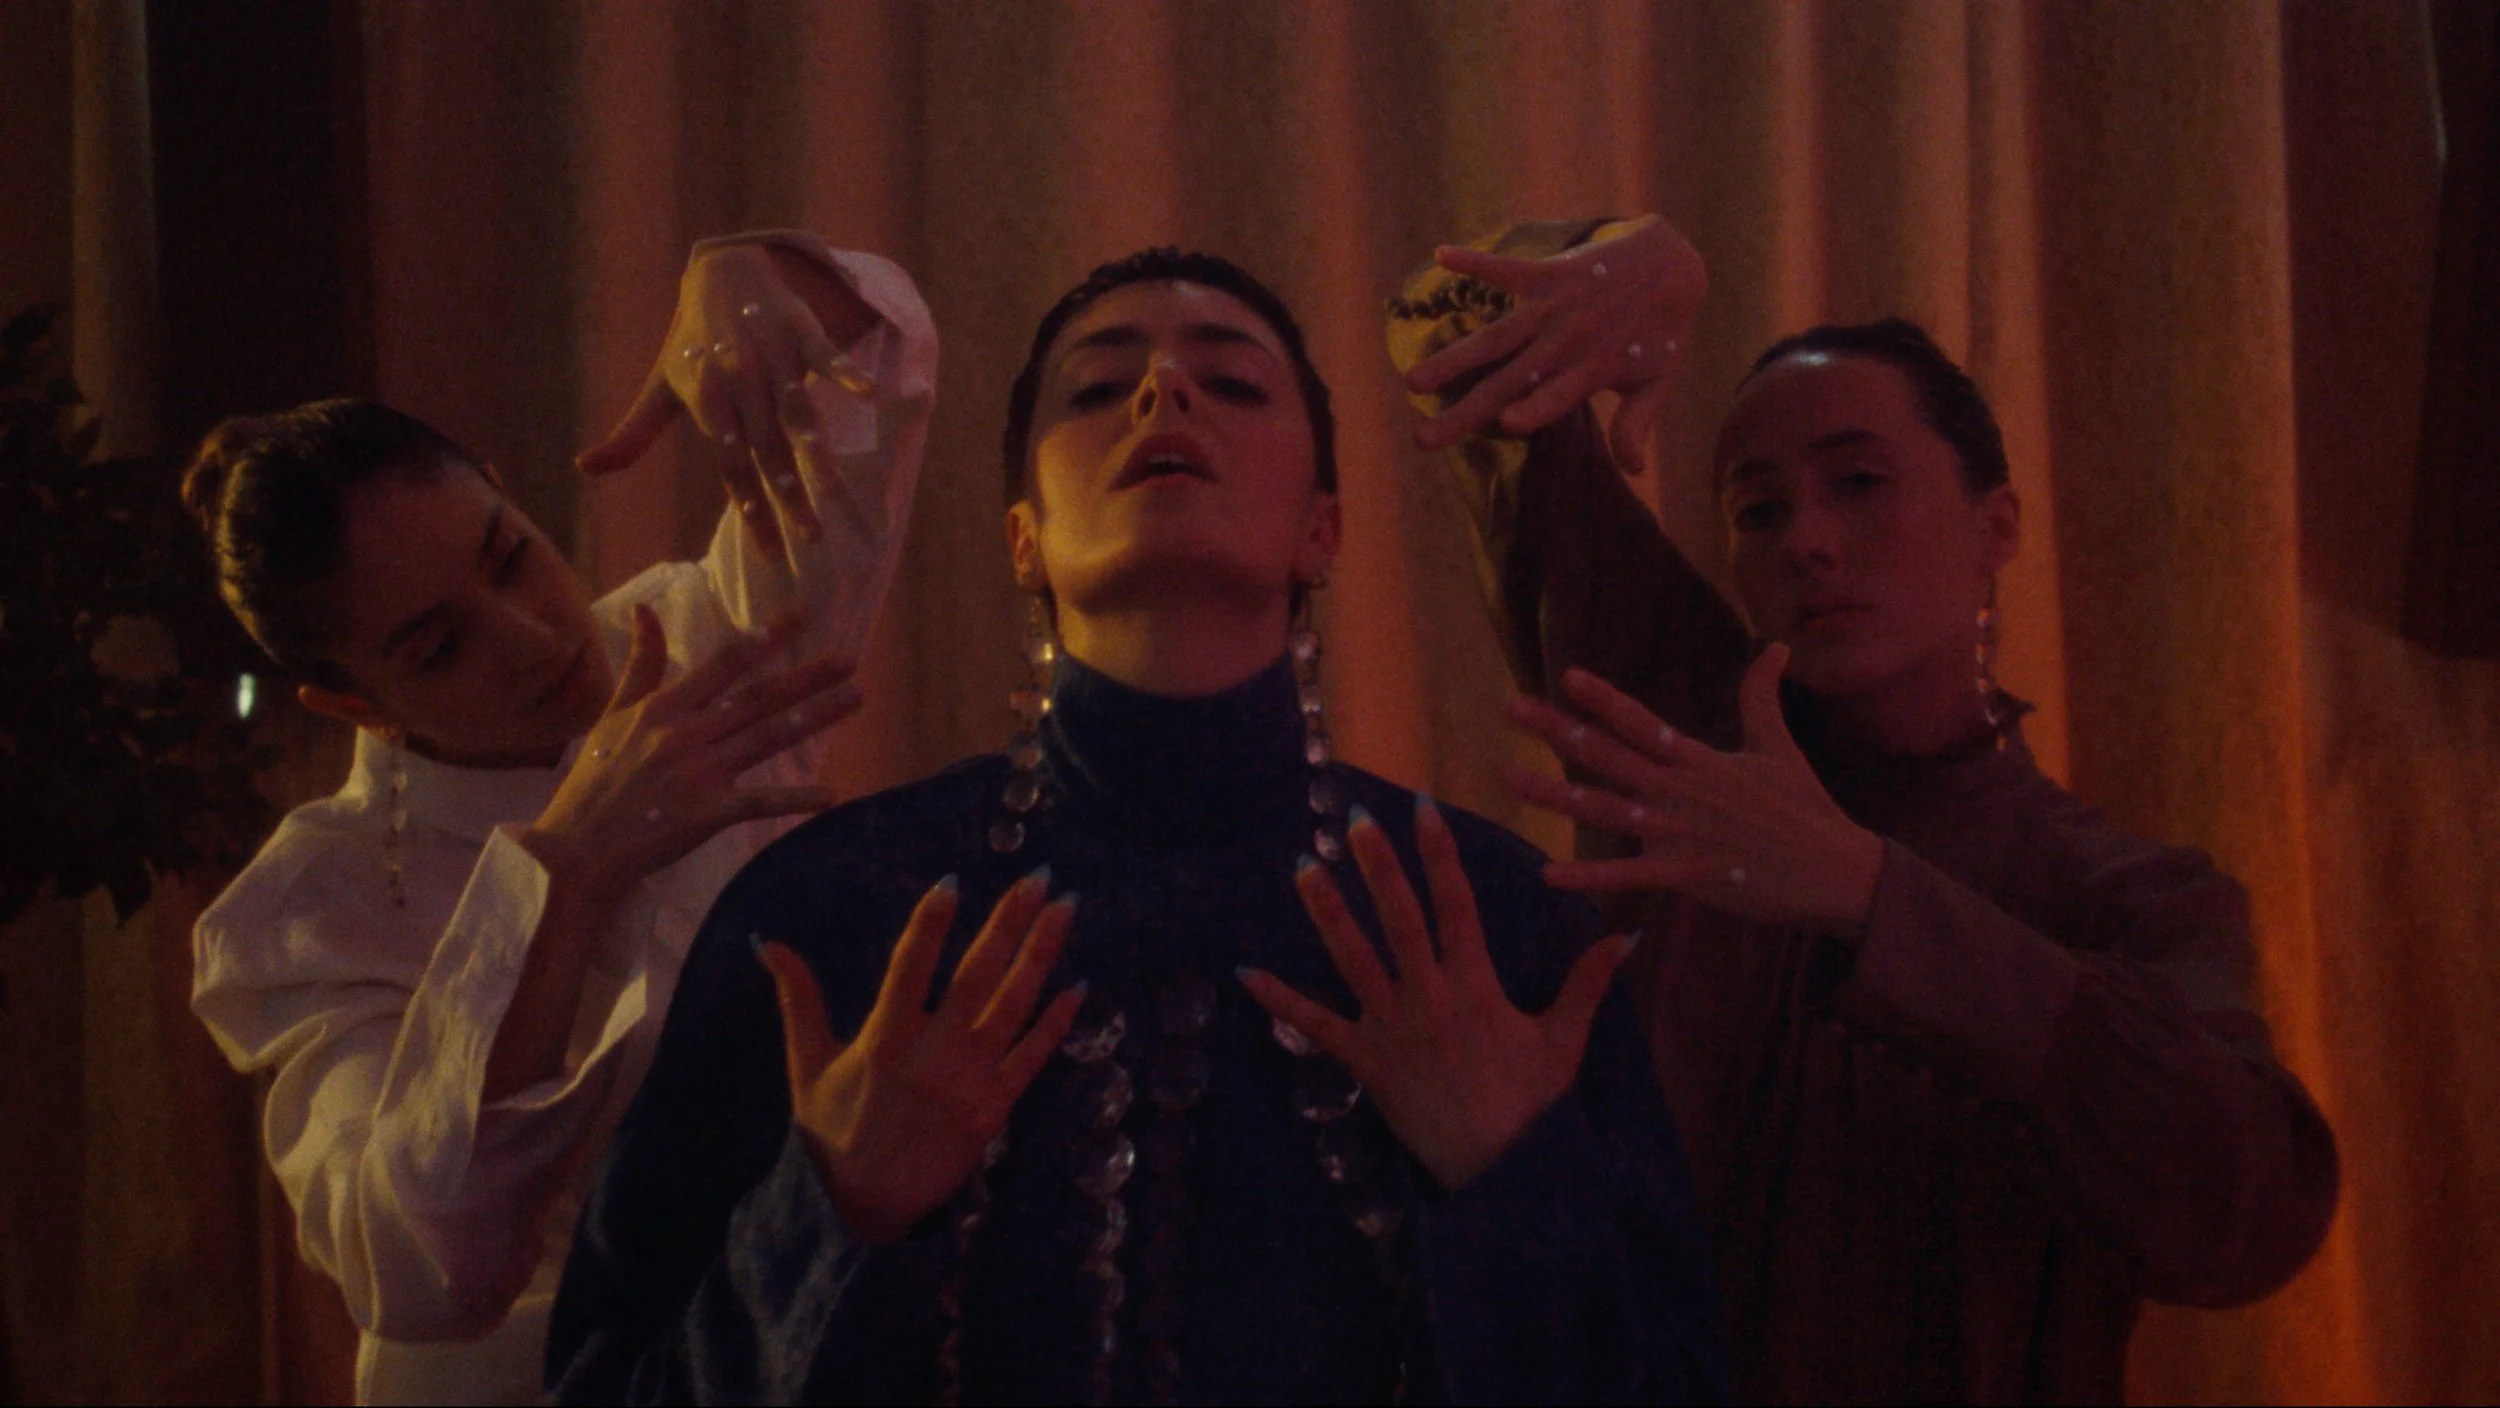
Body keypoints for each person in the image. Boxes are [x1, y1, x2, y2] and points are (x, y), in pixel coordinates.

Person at [546, 248, 1728, 1403]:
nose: (1164, 390)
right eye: (1101, 386)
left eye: (1234, 382)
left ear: (1321, 530)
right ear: (1024, 539)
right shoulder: (839, 913)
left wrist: (1511, 1182)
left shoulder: (1478, 917)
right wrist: (830, 1213)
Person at [1386, 216, 2342, 1402]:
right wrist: (1644, 256)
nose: (1809, 542)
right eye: (1758, 509)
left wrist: (1872, 898)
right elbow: (1447, 324)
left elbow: (2249, 1214)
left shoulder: (2128, 894)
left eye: (1858, 484)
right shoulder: (1683, 735)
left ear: (1996, 526)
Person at [186, 232, 937, 1404]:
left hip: (788, 1328)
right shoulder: (308, 910)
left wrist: (751, 281)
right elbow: (414, 1265)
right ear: (351, 704)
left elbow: (867, 388)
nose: (534, 635)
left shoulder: (693, 650)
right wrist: (567, 871)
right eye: (440, 646)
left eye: (510, 555)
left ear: (509, 491)